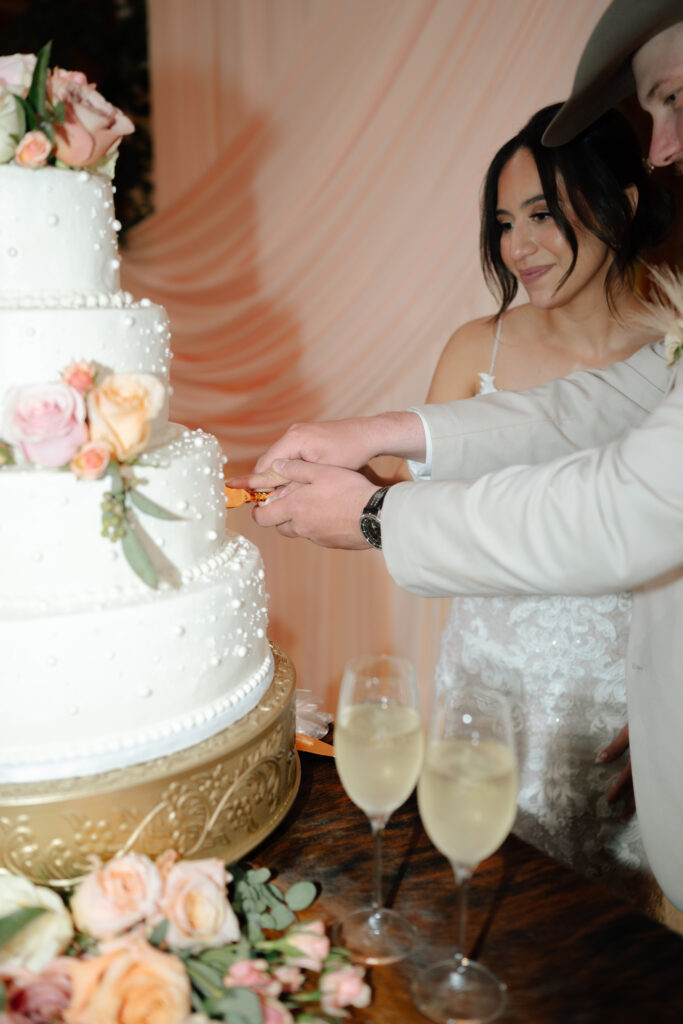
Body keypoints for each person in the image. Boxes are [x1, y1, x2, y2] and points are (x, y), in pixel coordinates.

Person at [229, 0, 683, 912]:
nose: (663, 145)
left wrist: (370, 516)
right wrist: (378, 437)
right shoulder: (511, 346)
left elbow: (625, 500)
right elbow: (601, 408)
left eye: (674, 99)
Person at [422, 100, 672, 901]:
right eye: (502, 222)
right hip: (489, 692)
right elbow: (428, 510)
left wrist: (675, 695)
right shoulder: (474, 349)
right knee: (485, 909)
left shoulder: (672, 348)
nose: (515, 246)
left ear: (620, 206)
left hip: (620, 704)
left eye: (541, 214)